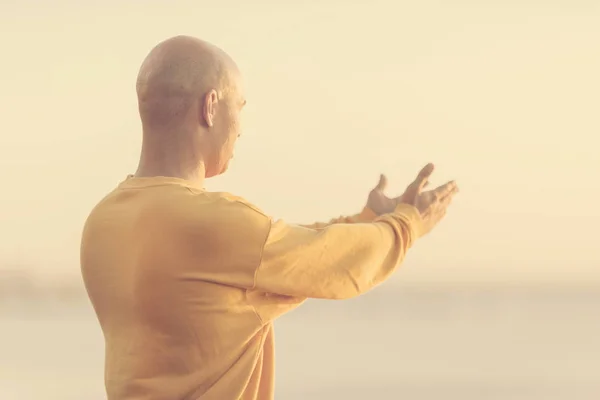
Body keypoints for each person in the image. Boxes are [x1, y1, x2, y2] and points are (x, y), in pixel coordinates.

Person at [80, 35, 459, 400]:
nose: (241, 128)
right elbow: (336, 264)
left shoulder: (102, 222)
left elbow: (283, 254)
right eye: (240, 107)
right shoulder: (216, 224)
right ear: (210, 107)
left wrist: (368, 217)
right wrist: (408, 224)